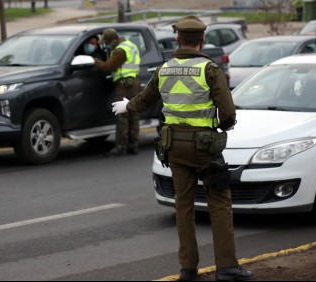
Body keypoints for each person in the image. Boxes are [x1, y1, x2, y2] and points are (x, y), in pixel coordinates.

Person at [111, 16, 254, 281]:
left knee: (184, 206)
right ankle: (226, 267)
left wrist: (127, 106)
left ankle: (188, 269)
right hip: (205, 147)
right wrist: (226, 124)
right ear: (202, 40)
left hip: (173, 145)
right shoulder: (209, 69)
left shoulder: (164, 69)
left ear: (178, 39)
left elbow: (144, 99)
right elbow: (228, 111)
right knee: (219, 202)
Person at [94, 28, 141, 157]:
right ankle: (134, 145)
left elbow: (108, 67)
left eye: (108, 42)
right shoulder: (130, 45)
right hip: (134, 82)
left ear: (114, 40)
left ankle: (121, 146)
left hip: (124, 85)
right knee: (133, 114)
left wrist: (94, 61)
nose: (108, 45)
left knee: (122, 115)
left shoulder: (120, 51)